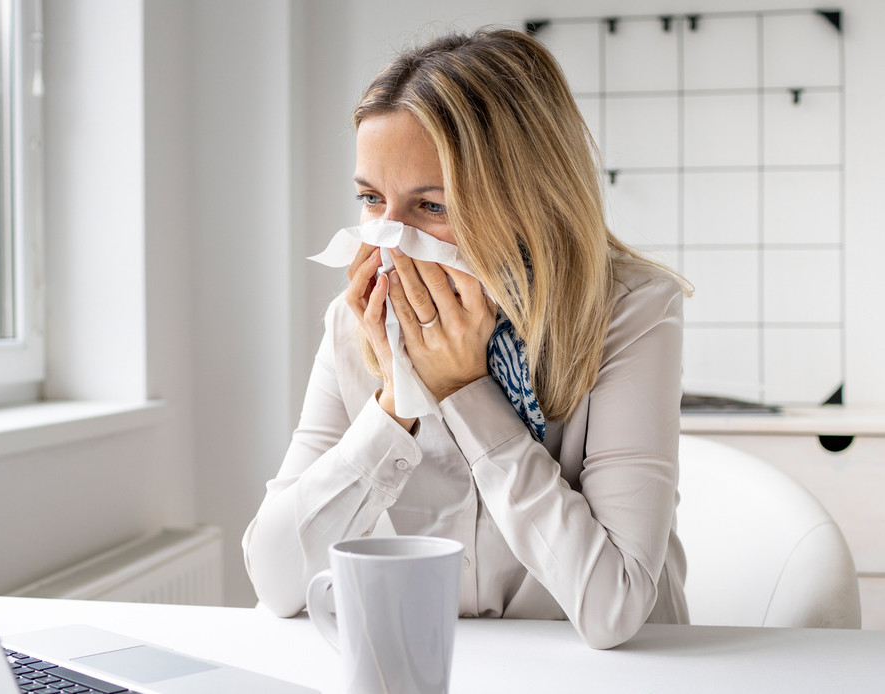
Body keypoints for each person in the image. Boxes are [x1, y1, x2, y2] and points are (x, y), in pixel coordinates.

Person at [242, 27, 690, 650]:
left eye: (432, 207)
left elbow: (613, 605)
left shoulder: (630, 312)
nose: (389, 240)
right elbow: (276, 578)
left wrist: (466, 390)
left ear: (527, 201)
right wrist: (396, 406)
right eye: (372, 199)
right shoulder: (356, 324)